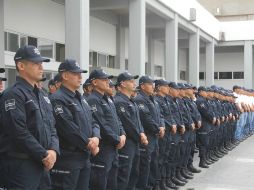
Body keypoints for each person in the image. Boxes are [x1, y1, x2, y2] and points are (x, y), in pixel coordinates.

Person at [0, 45, 59, 189]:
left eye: (41, 63)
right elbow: (18, 131)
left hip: (42, 165)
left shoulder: (42, 95)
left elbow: (52, 127)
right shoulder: (13, 94)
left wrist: (53, 151)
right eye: (36, 63)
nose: (41, 67)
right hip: (21, 167)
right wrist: (44, 155)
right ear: (21, 66)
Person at [50, 59, 100, 190]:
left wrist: (96, 137)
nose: (80, 77)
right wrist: (89, 143)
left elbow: (93, 121)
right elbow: (67, 128)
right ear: (65, 76)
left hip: (84, 157)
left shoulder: (81, 98)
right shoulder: (58, 98)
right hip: (68, 158)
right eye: (76, 73)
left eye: (81, 73)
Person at [87, 69, 126, 190]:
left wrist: (123, 134)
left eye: (108, 79)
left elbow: (117, 120)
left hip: (113, 148)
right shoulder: (93, 99)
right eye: (104, 79)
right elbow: (101, 124)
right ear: (94, 82)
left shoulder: (108, 99)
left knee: (112, 183)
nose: (108, 82)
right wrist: (117, 139)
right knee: (100, 183)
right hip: (103, 149)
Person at [114, 72, 148, 190]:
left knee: (134, 173)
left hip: (135, 142)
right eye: (131, 81)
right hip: (127, 143)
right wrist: (140, 136)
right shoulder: (119, 101)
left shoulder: (130, 101)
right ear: (122, 84)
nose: (134, 84)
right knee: (124, 176)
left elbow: (138, 121)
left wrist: (142, 132)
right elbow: (127, 124)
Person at [134, 76, 165, 190]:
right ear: (142, 86)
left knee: (153, 163)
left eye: (153, 83)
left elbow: (160, 115)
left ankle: (152, 185)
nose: (153, 86)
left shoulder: (152, 99)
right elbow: (146, 119)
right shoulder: (140, 99)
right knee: (145, 165)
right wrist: (158, 129)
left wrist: (161, 126)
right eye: (150, 83)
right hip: (148, 136)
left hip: (154, 136)